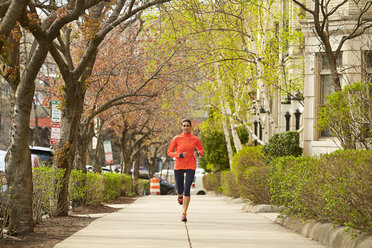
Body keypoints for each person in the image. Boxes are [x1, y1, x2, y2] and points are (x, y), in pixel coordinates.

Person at [167, 119, 204, 222]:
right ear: (182, 127)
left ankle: (184, 213)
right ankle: (179, 195)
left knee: (187, 189)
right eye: (184, 125)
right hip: (179, 165)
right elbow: (169, 152)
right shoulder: (176, 138)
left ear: (190, 127)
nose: (186, 127)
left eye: (188, 125)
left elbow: (201, 149)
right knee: (180, 189)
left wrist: (198, 154)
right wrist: (178, 155)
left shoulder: (195, 139)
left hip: (191, 166)